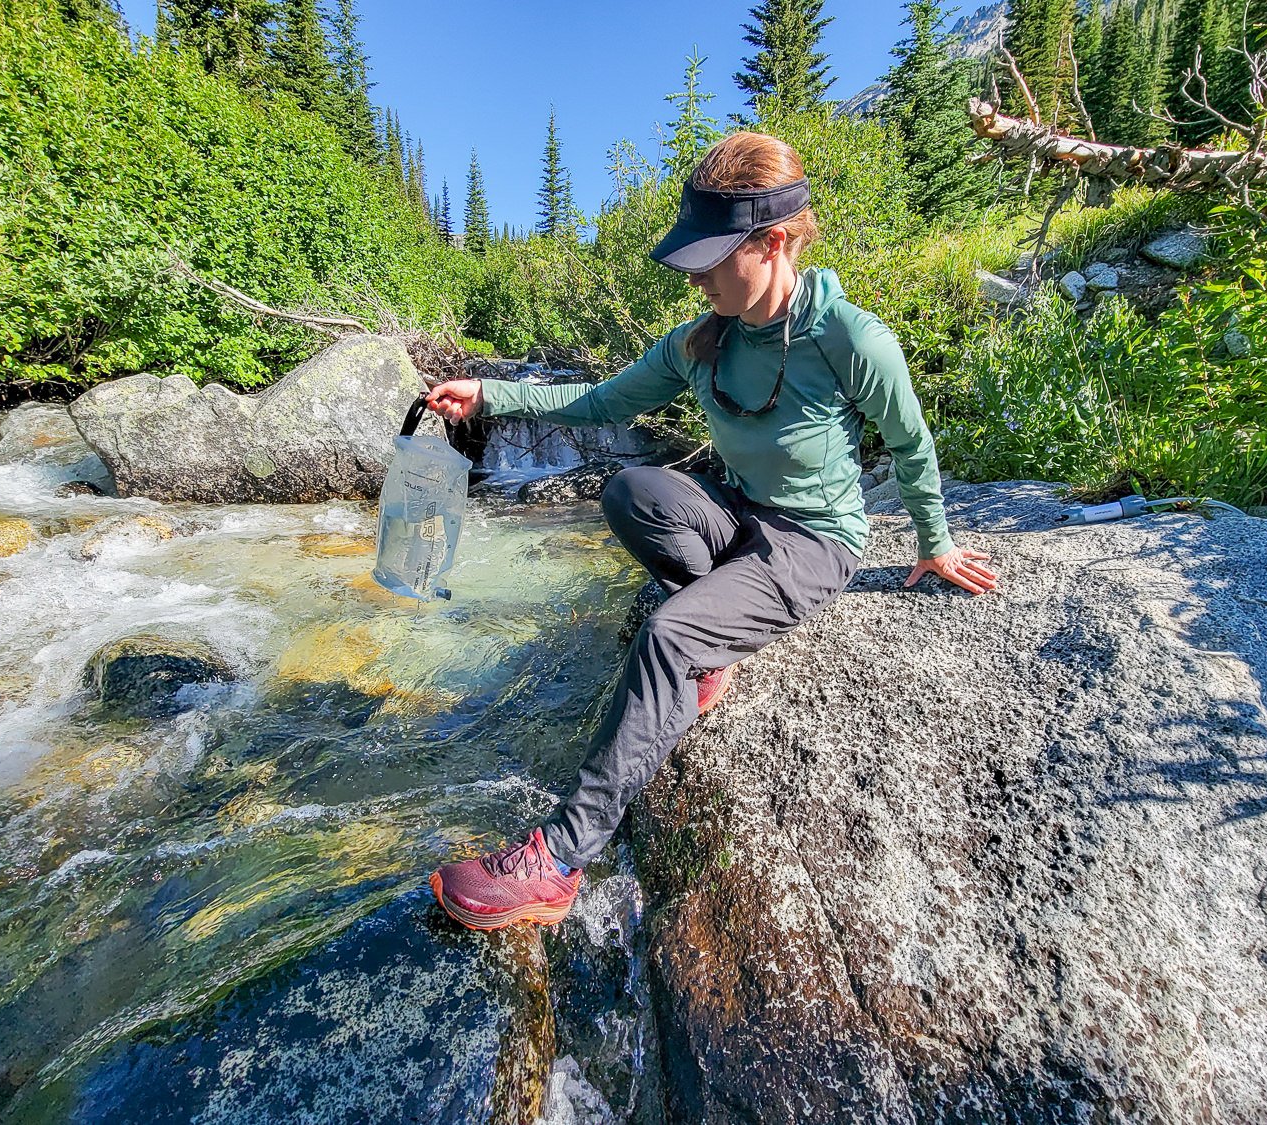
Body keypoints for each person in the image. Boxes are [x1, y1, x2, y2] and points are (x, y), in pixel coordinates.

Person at [424, 132, 997, 932]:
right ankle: (710, 637)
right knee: (631, 491)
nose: (696, 277)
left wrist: (933, 544)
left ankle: (557, 861)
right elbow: (601, 402)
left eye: (711, 258)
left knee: (666, 635)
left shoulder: (850, 338)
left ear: (771, 243)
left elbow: (910, 441)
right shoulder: (704, 339)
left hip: (811, 543)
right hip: (734, 510)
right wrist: (489, 395)